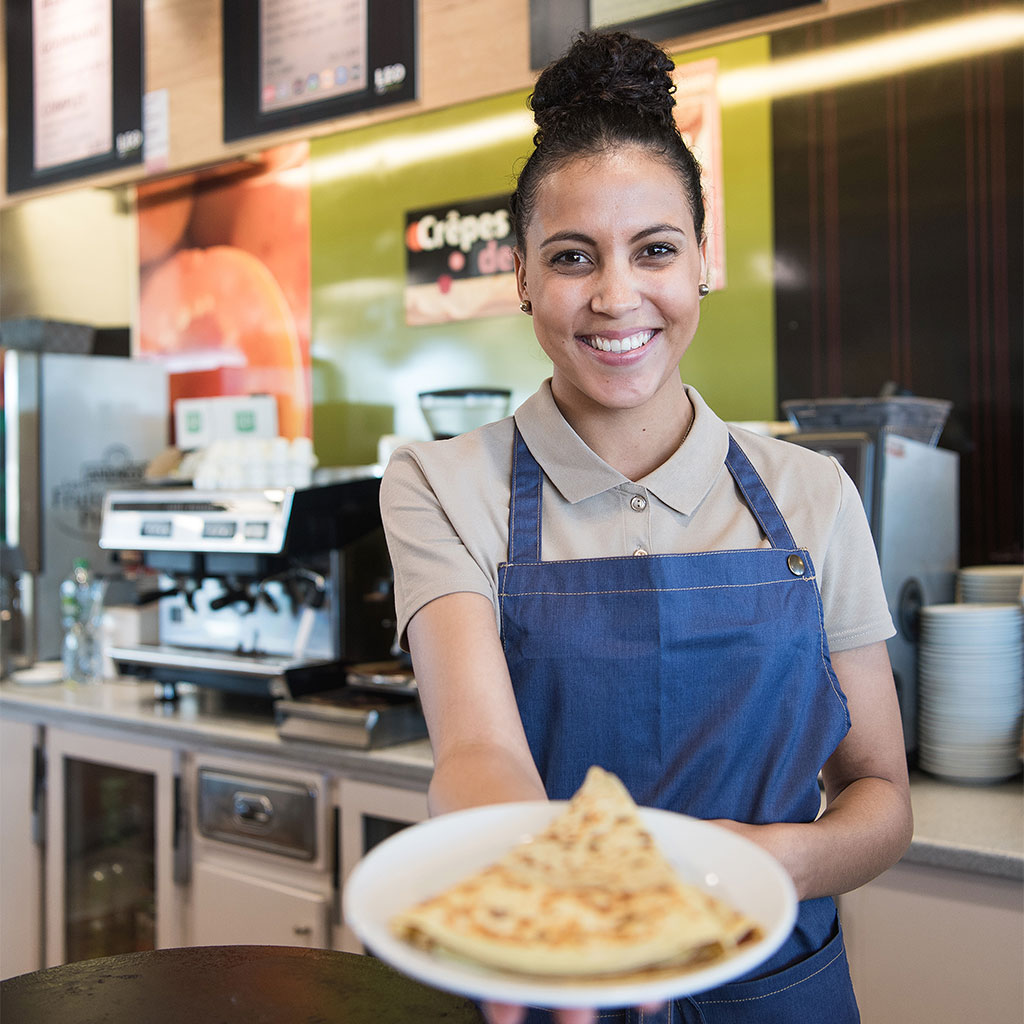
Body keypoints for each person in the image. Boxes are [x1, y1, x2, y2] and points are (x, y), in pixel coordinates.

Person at [380, 29, 913, 1024]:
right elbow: (479, 751)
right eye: (572, 257)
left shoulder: (813, 493)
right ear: (524, 279)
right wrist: (543, 904)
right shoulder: (440, 481)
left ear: (701, 263)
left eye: (655, 250)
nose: (616, 296)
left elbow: (879, 792)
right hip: (554, 983)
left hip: (778, 989)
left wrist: (776, 859)